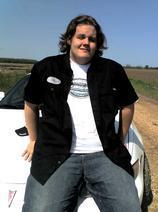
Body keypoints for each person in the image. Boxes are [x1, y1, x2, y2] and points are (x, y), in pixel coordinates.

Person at [22, 15, 141, 212]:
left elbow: (128, 105)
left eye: (92, 39)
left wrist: (120, 138)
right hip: (56, 154)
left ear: (98, 43)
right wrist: (34, 140)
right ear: (69, 39)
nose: (86, 42)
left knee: (129, 208)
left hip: (105, 155)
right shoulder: (46, 67)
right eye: (81, 37)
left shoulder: (112, 70)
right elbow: (30, 105)